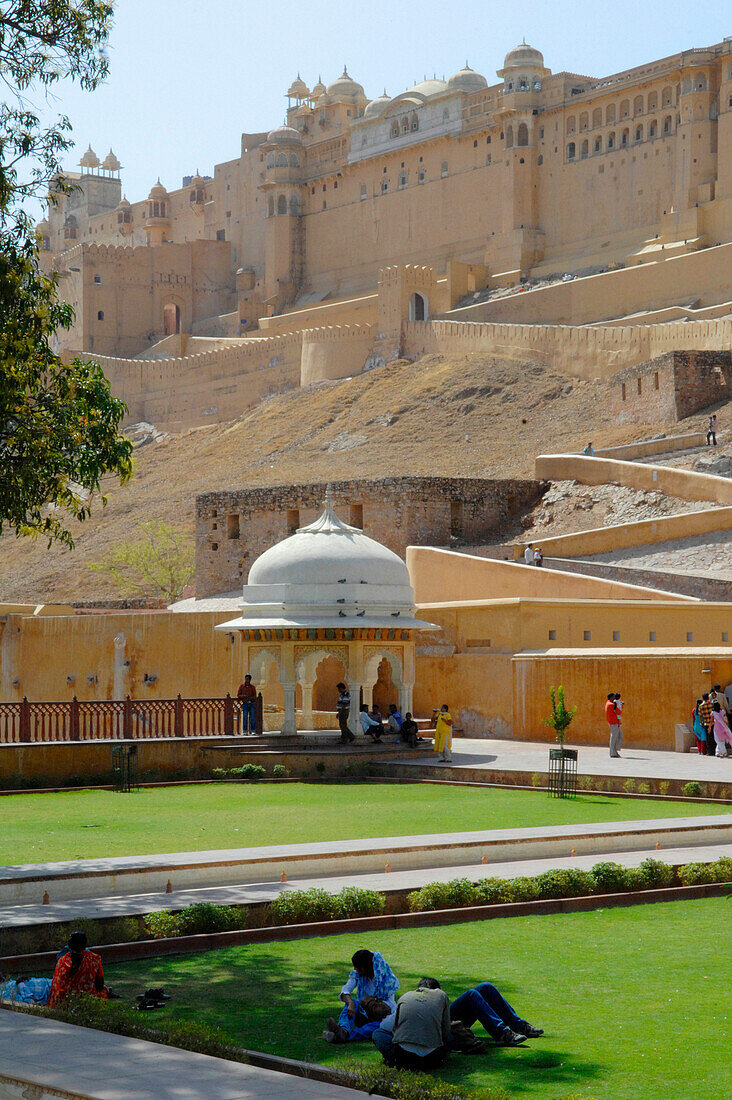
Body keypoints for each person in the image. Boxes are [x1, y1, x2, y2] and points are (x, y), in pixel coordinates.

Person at [372, 977, 452, 1070]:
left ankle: (393, 1060)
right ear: (437, 989)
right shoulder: (441, 996)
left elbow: (384, 1026)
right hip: (432, 1057)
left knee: (378, 1033)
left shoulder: (406, 997)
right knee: (450, 1035)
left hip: (404, 1055)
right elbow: (446, 1030)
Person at [323, 949, 400, 1044]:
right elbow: (345, 990)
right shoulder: (358, 975)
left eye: (357, 968)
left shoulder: (385, 978)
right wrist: (350, 1002)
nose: (355, 970)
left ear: (364, 968)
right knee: (353, 1003)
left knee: (378, 1026)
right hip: (365, 1013)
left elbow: (388, 1008)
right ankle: (343, 1029)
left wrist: (372, 1001)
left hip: (382, 1018)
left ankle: (341, 1035)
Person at [450, 980, 543, 1047]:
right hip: (445, 1024)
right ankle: (502, 1034)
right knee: (471, 995)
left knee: (486, 987)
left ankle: (518, 1025)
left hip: (444, 1016)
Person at [48, 931, 108, 1008]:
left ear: (70, 945)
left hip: (64, 1000)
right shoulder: (94, 960)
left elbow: (57, 984)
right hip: (86, 1000)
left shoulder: (63, 960)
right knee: (103, 990)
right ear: (84, 944)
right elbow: (100, 985)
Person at [606, 692, 622, 758]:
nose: (614, 698)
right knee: (614, 738)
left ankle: (615, 751)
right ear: (611, 697)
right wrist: (620, 705)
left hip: (614, 723)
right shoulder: (611, 705)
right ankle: (613, 753)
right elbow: (619, 712)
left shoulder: (609, 703)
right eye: (613, 697)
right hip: (614, 723)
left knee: (619, 736)